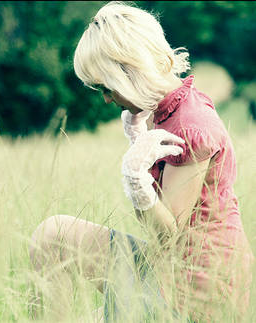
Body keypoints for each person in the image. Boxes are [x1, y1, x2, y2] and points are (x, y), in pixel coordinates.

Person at [29, 2, 254, 322]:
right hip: (173, 267)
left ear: (131, 71)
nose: (106, 98)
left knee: (76, 284)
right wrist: (140, 141)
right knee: (53, 237)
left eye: (107, 87)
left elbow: (167, 235)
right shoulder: (171, 109)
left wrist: (137, 179)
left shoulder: (191, 126)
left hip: (198, 292)